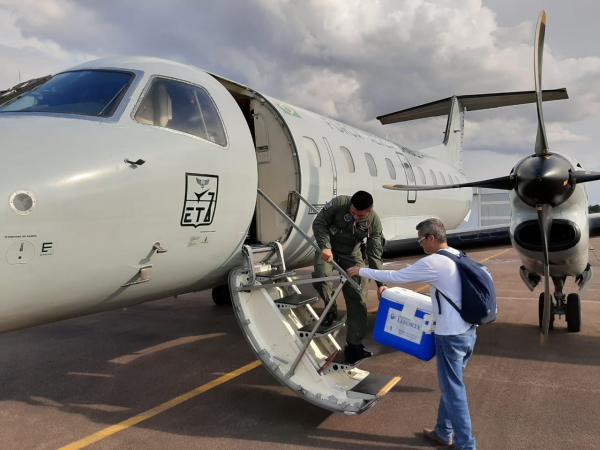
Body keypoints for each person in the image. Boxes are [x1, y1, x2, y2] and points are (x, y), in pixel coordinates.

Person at [347, 218, 477, 450]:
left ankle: (466, 445)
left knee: (454, 390)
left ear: (431, 238)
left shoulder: (435, 262)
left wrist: (361, 270)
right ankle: (443, 431)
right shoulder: (458, 254)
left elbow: (398, 277)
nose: (420, 245)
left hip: (451, 335)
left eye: (421, 240)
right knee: (452, 385)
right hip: (468, 331)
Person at [312, 190, 387, 364]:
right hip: (328, 248)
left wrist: (380, 284)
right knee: (321, 276)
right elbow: (319, 223)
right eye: (352, 212)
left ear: (368, 211)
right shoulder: (339, 203)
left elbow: (375, 254)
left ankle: (354, 345)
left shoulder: (373, 222)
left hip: (351, 254)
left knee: (358, 291)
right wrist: (325, 246)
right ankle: (330, 308)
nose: (354, 216)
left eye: (359, 215)